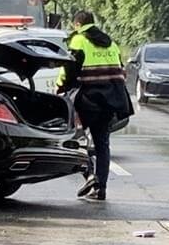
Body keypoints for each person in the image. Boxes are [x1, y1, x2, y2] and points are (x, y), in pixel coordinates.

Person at [56, 11, 133, 201]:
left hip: (87, 99)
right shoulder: (111, 43)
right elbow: (121, 70)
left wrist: (59, 87)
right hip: (110, 100)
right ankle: (101, 189)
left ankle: (90, 175)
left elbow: (69, 69)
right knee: (102, 145)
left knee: (75, 141)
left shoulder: (79, 40)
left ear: (77, 24)